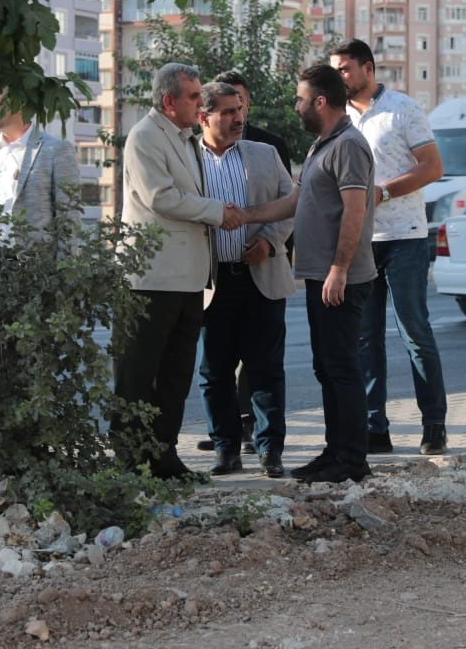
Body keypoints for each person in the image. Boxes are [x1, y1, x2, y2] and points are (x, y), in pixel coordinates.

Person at [242, 64, 376, 484]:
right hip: (321, 276)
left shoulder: (349, 145)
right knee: (327, 367)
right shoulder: (323, 144)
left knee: (341, 367)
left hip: (342, 278)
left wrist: (338, 268)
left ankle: (352, 459)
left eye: (300, 99)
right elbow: (294, 202)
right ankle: (335, 451)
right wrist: (243, 216)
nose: (296, 106)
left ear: (320, 101)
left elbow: (356, 210)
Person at [117, 63, 243, 479]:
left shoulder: (185, 138)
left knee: (174, 377)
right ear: (169, 101)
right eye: (192, 96)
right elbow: (161, 198)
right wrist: (216, 212)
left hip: (188, 279)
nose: (200, 103)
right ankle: (131, 462)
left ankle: (164, 457)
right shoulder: (144, 137)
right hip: (151, 279)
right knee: (139, 376)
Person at [329, 39, 448, 455]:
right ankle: (374, 427)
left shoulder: (402, 109)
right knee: (365, 338)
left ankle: (434, 423)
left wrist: (383, 192)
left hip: (405, 237)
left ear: (368, 68)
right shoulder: (339, 118)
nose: (340, 77)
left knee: (414, 332)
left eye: (345, 69)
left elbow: (433, 167)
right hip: (361, 241)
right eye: (335, 70)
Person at [192, 69, 294, 455]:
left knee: (265, 370)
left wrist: (269, 241)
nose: (239, 118)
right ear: (204, 118)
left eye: (240, 109)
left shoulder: (264, 154)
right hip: (212, 282)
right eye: (228, 112)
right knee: (214, 373)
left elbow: (292, 205)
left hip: (261, 275)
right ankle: (225, 449)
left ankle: (270, 452)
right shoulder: (187, 159)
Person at [0, 86, 80, 284]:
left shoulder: (56, 149)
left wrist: (63, 275)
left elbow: (69, 218)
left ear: (20, 104)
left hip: (33, 268)